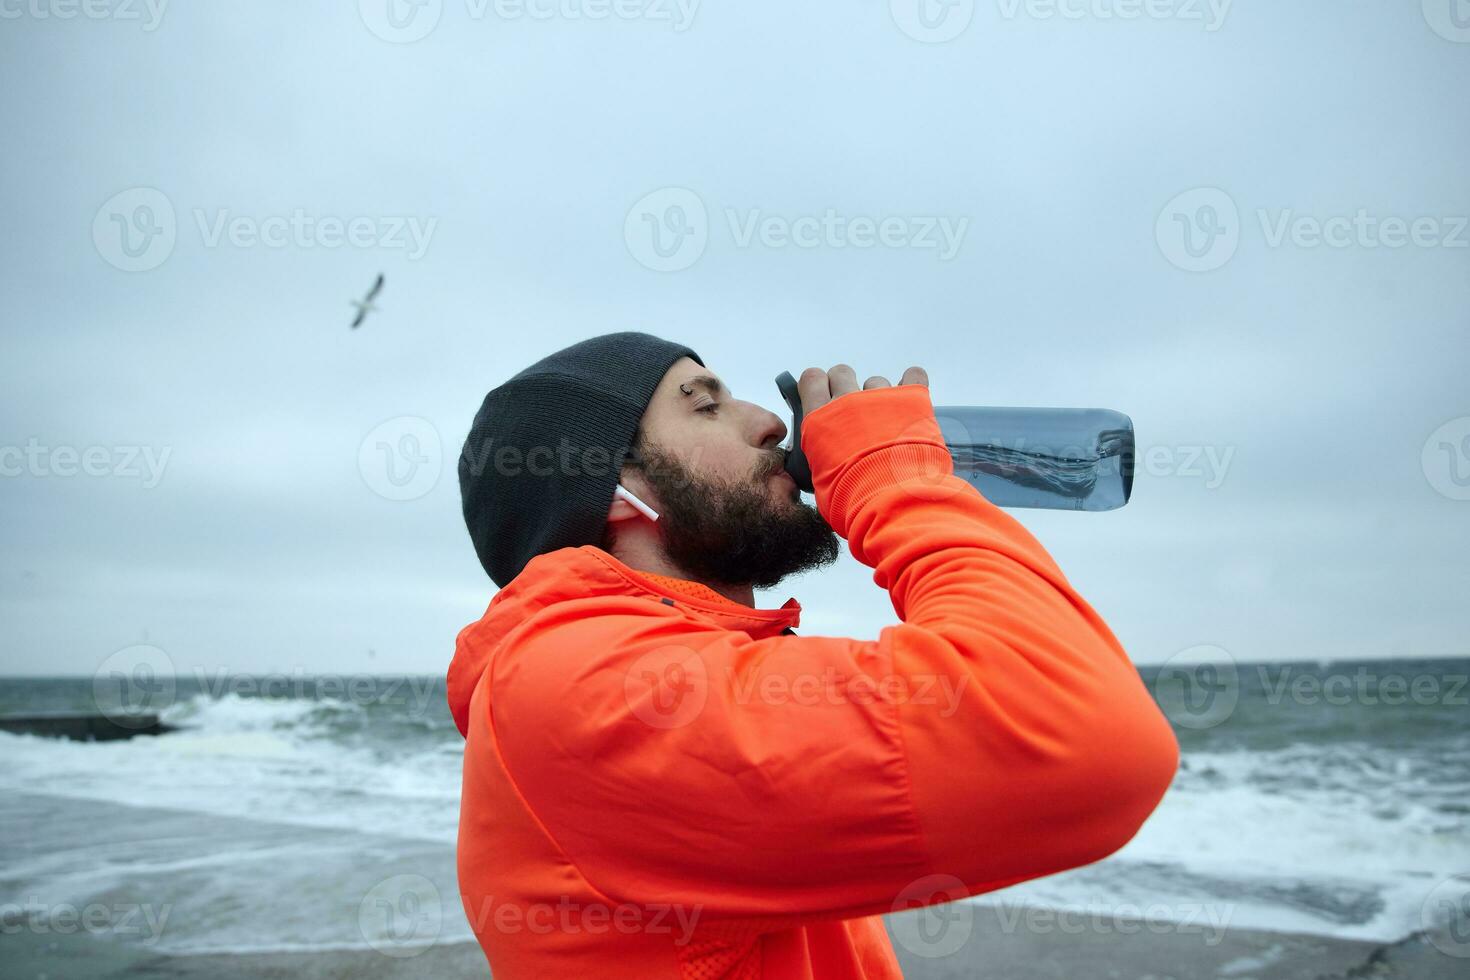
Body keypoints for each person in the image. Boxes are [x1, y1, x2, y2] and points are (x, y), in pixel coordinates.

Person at [448, 331, 1179, 979]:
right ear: (614, 489)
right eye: (704, 407)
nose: (771, 424)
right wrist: (897, 480)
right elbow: (1083, 737)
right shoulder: (579, 685)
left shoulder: (673, 666)